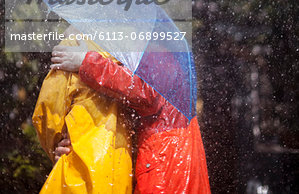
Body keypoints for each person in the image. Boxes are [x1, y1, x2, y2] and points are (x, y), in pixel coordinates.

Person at [51, 44, 211, 193]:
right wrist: (77, 146)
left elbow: (146, 91)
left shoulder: (156, 50)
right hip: (166, 161)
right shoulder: (144, 53)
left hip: (166, 166)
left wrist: (87, 62)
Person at [32, 32, 133, 194]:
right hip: (121, 169)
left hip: (78, 166)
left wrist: (55, 146)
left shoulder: (73, 43)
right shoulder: (132, 53)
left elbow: (48, 111)